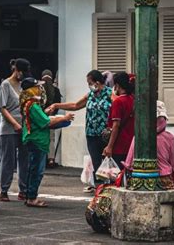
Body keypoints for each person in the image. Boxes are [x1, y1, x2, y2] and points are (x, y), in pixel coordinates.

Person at [87, 101, 174, 237]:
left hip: (140, 180)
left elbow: (129, 164)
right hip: (167, 180)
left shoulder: (139, 138)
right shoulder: (170, 138)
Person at [47, 69, 112, 188]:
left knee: (108, 162)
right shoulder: (91, 95)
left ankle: (110, 186)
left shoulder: (110, 94)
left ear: (97, 82)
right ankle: (100, 187)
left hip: (105, 134)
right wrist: (57, 105)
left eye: (90, 83)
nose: (89, 86)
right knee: (96, 161)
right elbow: (75, 105)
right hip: (91, 134)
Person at [20, 77, 74, 207]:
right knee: (36, 171)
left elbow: (40, 118)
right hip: (37, 140)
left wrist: (45, 112)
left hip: (35, 139)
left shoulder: (30, 104)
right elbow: (46, 122)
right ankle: (32, 197)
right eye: (37, 87)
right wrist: (64, 118)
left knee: (33, 169)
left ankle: (29, 196)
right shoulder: (32, 105)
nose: (40, 89)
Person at [0, 57, 30, 202]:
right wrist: (14, 124)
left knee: (24, 158)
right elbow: (2, 108)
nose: (22, 75)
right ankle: (4, 189)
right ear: (16, 70)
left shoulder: (24, 85)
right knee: (8, 159)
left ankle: (23, 189)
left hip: (23, 126)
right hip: (8, 127)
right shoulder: (5, 85)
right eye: (21, 72)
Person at [102, 71, 135, 169]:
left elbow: (115, 125)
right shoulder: (133, 100)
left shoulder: (118, 102)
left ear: (117, 85)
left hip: (119, 145)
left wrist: (110, 146)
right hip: (131, 144)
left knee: (116, 176)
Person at [41, 69, 62, 168]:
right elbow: (58, 105)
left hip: (40, 117)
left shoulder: (39, 88)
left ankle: (42, 159)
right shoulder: (56, 90)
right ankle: (51, 159)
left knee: (41, 138)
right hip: (51, 117)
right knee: (51, 139)